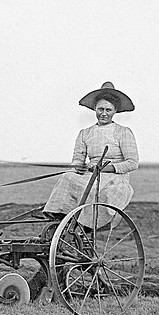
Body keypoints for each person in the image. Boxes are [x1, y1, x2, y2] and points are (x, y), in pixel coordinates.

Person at [43, 81, 139, 222]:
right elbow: (77, 159)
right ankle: (58, 217)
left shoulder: (123, 132)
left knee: (93, 187)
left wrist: (105, 169)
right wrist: (78, 166)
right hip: (90, 174)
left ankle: (84, 222)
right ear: (95, 109)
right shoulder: (85, 133)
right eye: (100, 109)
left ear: (114, 111)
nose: (104, 114)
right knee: (67, 177)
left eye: (108, 110)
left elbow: (132, 163)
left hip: (115, 178)